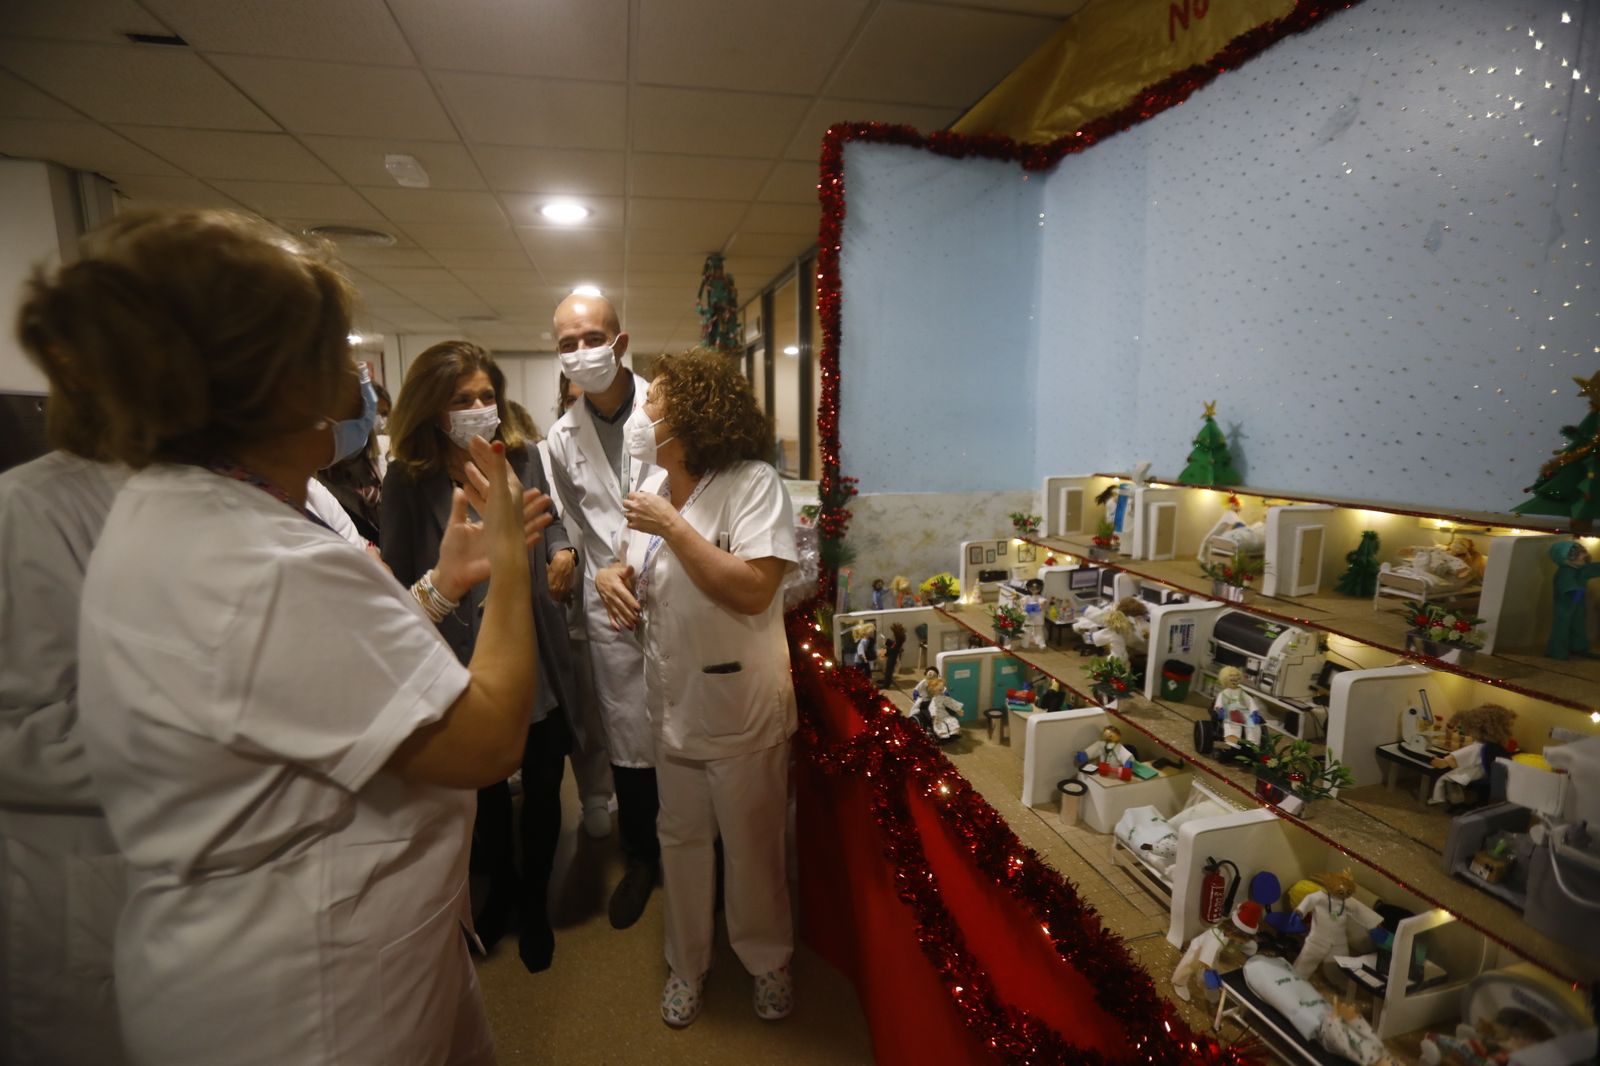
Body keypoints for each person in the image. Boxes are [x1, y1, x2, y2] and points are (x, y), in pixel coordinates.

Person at [29, 208, 543, 1064]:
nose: (355, 377)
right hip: (312, 998)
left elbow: (332, 679)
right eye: (335, 351)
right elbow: (488, 736)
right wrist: (510, 561)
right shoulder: (258, 558)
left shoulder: (200, 510)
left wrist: (444, 585)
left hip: (340, 946)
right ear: (275, 382)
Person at [594, 349, 798, 1028]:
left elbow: (754, 588)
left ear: (698, 409)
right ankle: (688, 964)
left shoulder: (751, 483)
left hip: (738, 707)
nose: (645, 408)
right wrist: (609, 578)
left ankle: (767, 961)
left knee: (751, 845)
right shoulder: (652, 487)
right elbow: (634, 568)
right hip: (672, 706)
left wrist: (674, 528)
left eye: (658, 397)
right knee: (678, 839)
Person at [383, 340, 580, 974]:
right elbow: (402, 570)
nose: (478, 408)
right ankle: (497, 898)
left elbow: (549, 521)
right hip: (455, 650)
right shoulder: (408, 477)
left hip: (531, 642)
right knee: (486, 789)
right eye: (462, 400)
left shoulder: (520, 454)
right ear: (433, 409)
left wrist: (559, 553)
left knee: (546, 781)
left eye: (486, 397)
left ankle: (535, 905)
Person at [0, 445, 127, 1064]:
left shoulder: (201, 487)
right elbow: (22, 731)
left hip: (183, 885)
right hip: (81, 883)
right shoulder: (30, 505)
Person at [545, 292, 662, 929]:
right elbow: (572, 519)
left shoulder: (668, 410)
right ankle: (641, 856)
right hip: (607, 597)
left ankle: (700, 850)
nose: (580, 351)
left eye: (591, 337)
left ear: (619, 341)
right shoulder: (560, 438)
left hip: (673, 586)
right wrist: (594, 569)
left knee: (686, 727)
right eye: (566, 342)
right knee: (628, 730)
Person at [540, 375, 615, 840]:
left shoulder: (626, 444)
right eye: (570, 400)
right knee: (587, 707)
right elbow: (558, 519)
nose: (579, 408)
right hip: (571, 601)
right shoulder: (549, 451)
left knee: (625, 704)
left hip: (618, 591)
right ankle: (593, 795)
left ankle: (631, 793)